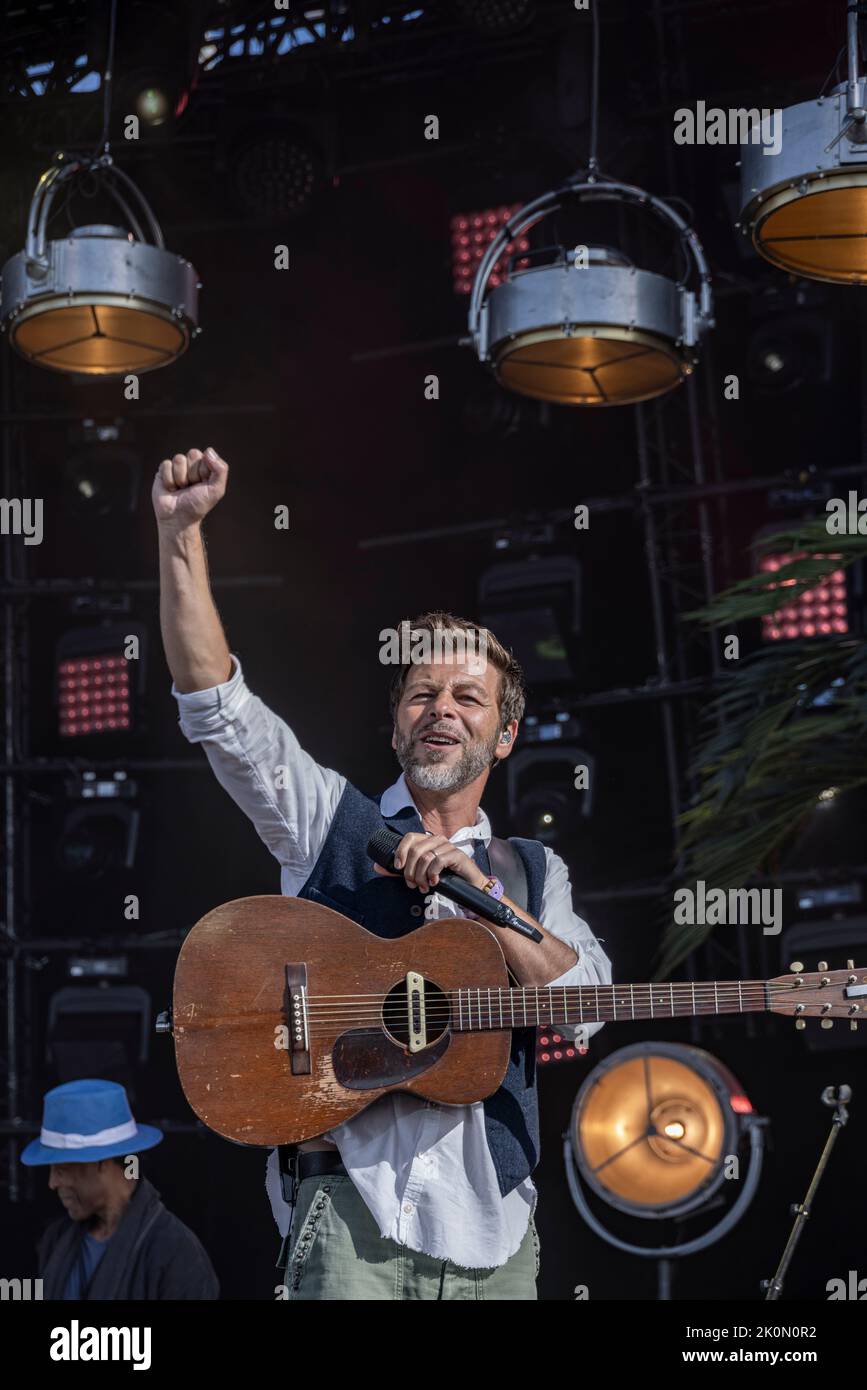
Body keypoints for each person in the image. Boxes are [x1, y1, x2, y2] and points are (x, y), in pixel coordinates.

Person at [154, 446, 613, 1300]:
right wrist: (180, 536)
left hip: (495, 1235)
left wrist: (481, 903)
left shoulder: (532, 873)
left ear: (504, 737)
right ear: (395, 725)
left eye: (467, 698)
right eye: (420, 694)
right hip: (349, 1218)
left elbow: (583, 1005)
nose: (441, 708)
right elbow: (217, 706)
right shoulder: (328, 819)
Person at [22, 1078, 219, 1300]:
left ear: (103, 1163)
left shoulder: (176, 1253)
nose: (52, 1183)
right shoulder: (56, 1239)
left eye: (62, 1170)